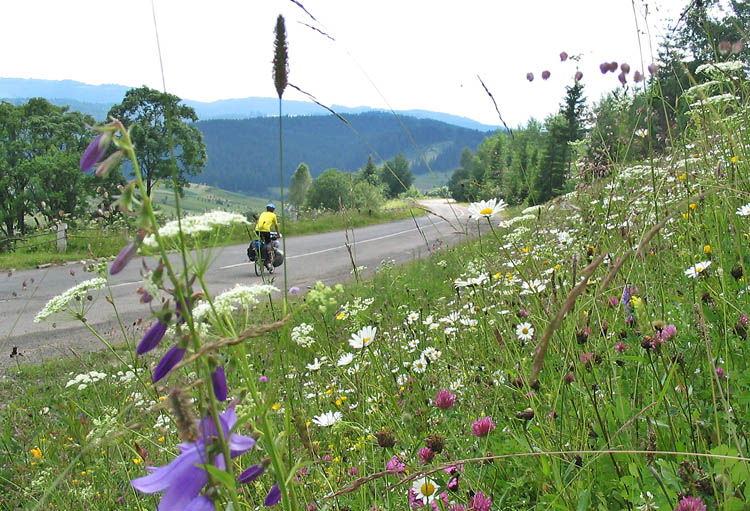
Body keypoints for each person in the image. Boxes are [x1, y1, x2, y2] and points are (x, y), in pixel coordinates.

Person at [254, 203, 280, 272]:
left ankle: (261, 255)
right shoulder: (273, 215)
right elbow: (276, 226)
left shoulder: (263, 213)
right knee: (268, 244)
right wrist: (278, 234)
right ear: (273, 210)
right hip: (265, 231)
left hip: (257, 230)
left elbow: (258, 219)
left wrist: (255, 218)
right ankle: (268, 260)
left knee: (262, 242)